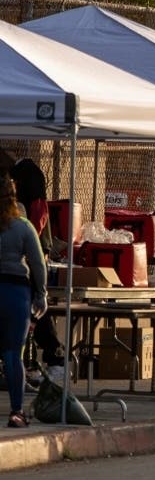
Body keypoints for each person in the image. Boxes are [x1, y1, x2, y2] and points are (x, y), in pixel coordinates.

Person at [9, 157, 66, 382]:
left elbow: (38, 215)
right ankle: (44, 359)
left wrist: (27, 241)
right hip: (28, 254)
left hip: (31, 254)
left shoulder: (29, 178)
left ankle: (55, 357)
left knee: (35, 308)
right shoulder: (23, 177)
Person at [0, 174, 48, 428]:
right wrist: (41, 294)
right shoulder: (23, 227)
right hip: (15, 294)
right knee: (12, 354)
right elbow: (38, 264)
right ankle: (16, 411)